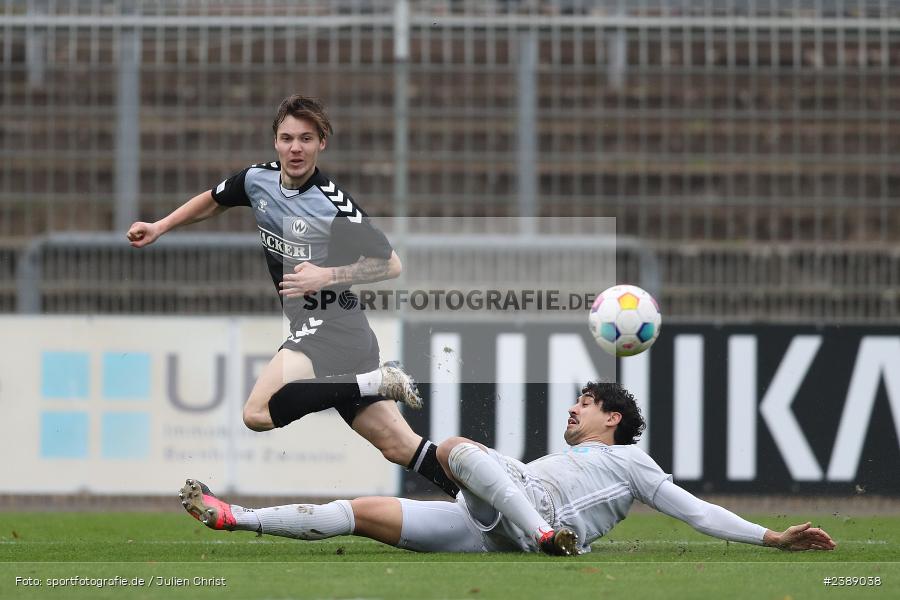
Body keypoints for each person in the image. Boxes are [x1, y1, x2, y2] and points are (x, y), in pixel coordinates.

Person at [129, 94, 457, 496]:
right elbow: (214, 201)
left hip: (330, 321)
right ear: (275, 142)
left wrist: (326, 274)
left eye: (306, 138)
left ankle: (376, 380)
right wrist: (160, 226)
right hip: (345, 332)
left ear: (322, 143)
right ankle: (481, 496)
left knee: (257, 412)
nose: (295, 148)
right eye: (287, 138)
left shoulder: (332, 204)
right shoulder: (257, 179)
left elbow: (391, 264)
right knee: (400, 447)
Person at [178, 381, 836, 556]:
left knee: (454, 447)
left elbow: (696, 511)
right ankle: (236, 517)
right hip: (490, 526)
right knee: (360, 514)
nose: (573, 412)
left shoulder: (633, 462)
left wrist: (770, 536)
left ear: (613, 419)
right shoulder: (568, 455)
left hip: (537, 517)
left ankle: (548, 539)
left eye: (584, 404)